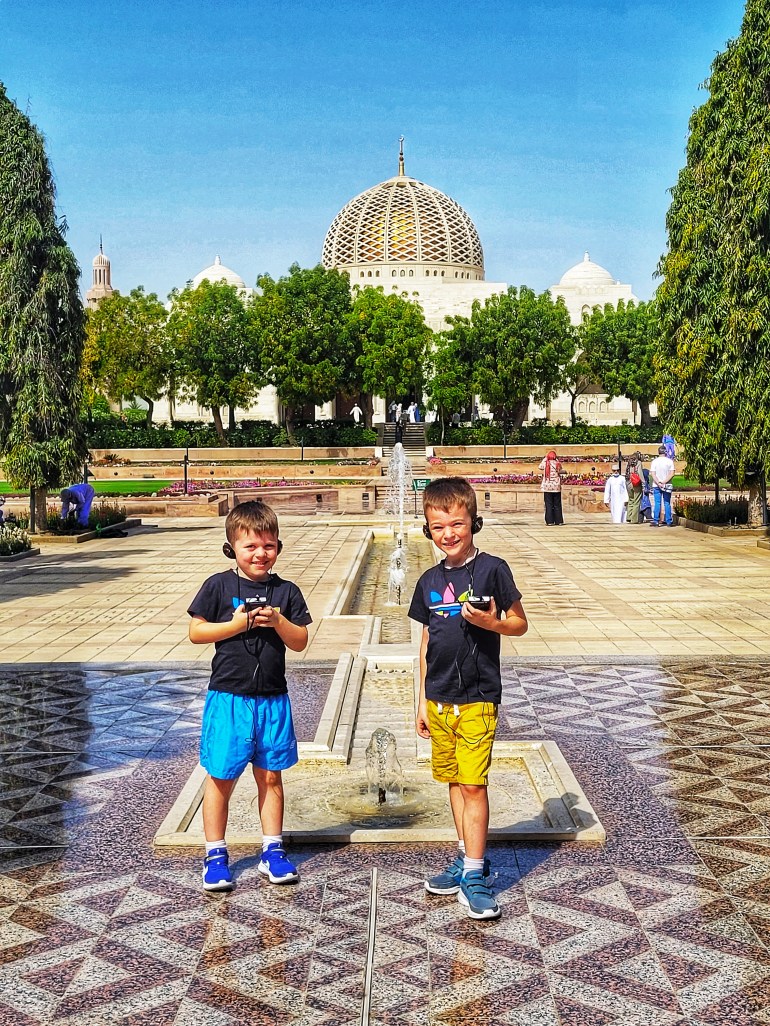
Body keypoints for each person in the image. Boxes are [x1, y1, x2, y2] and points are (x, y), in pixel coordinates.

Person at [409, 477, 528, 920]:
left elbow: (518, 623)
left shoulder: (493, 569)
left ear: (473, 522)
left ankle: (476, 873)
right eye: (438, 527)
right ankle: (464, 857)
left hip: (478, 697)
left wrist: (490, 624)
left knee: (474, 784)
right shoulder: (427, 580)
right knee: (456, 783)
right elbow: (423, 644)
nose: (448, 534)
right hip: (439, 700)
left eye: (457, 524)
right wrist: (421, 700)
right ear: (427, 529)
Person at [188, 500, 312, 892]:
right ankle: (215, 854)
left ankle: (272, 850)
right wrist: (235, 624)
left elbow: (301, 641)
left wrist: (277, 620)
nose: (260, 554)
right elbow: (197, 632)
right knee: (220, 777)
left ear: (278, 546)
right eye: (250, 547)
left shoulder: (286, 591)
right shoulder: (218, 585)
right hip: (229, 698)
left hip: (272, 699)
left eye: (268, 546)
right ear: (232, 549)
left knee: (271, 777)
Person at [650, 444, 676, 527]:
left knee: (657, 503)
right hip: (667, 485)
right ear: (666, 452)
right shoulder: (669, 461)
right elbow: (672, 473)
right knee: (667, 503)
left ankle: (656, 521)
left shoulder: (654, 461)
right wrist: (664, 482)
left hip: (656, 485)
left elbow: (653, 474)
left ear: (658, 452)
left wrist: (658, 483)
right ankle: (668, 521)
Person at [538, 450, 564, 525]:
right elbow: (560, 469)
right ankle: (559, 521)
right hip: (556, 487)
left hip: (547, 487)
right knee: (557, 504)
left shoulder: (546, 463)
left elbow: (540, 467)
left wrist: (545, 459)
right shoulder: (557, 463)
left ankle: (549, 521)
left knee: (548, 504)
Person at [624, 451, 645, 525]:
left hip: (628, 483)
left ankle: (629, 517)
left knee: (631, 500)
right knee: (636, 501)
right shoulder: (638, 462)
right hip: (636, 484)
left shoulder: (629, 463)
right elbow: (640, 473)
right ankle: (634, 519)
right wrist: (643, 482)